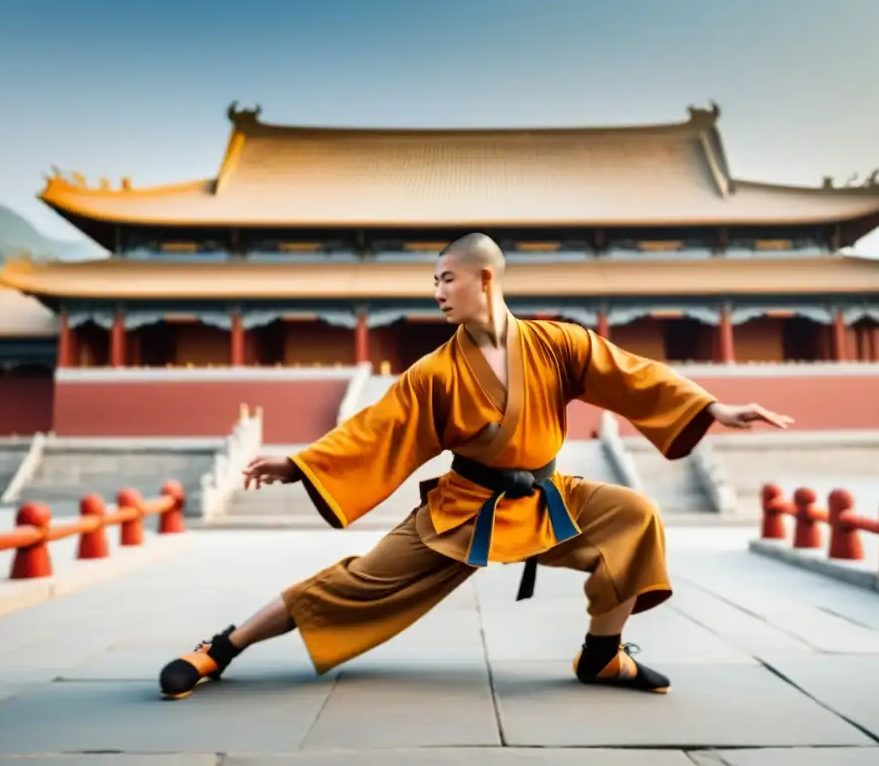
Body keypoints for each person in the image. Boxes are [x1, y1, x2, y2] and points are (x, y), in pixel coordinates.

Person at [158, 232, 793, 700]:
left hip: (549, 500)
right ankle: (221, 648)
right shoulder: (435, 371)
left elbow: (633, 375)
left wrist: (713, 407)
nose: (436, 293)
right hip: (463, 509)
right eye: (433, 282)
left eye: (445, 279)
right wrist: (301, 464)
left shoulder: (558, 343)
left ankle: (603, 655)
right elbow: (375, 429)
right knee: (355, 580)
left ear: (485, 280)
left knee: (635, 517)